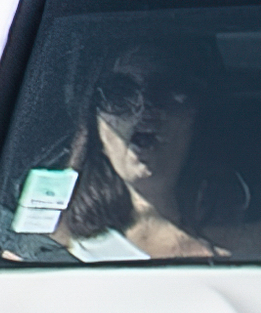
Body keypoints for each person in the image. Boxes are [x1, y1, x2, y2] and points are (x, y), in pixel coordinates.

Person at [45, 42, 223, 261]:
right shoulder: (54, 251)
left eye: (169, 90)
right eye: (120, 94)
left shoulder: (258, 246)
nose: (144, 108)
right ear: (94, 133)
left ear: (199, 120)